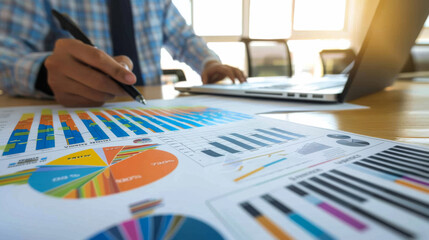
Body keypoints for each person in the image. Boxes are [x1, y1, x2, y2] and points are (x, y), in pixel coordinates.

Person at [0, 0, 246, 107]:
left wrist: (209, 63)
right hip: (74, 112)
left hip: (148, 110)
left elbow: (182, 37)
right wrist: (44, 74)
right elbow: (5, 57)